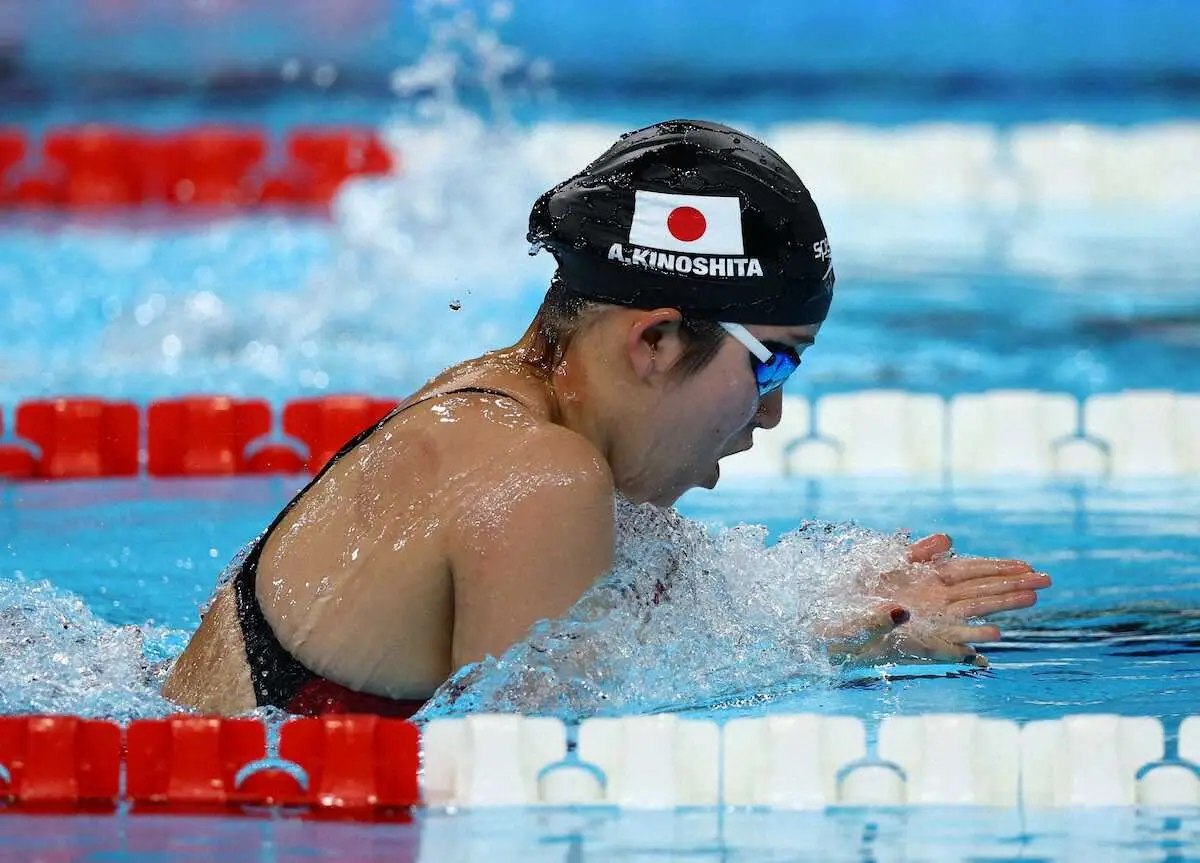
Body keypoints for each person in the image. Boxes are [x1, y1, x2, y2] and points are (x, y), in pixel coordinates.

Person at [163, 119, 1050, 717]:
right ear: (657, 339)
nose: (772, 413)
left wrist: (838, 624)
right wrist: (840, 662)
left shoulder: (486, 405)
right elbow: (542, 787)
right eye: (773, 360)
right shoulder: (542, 479)